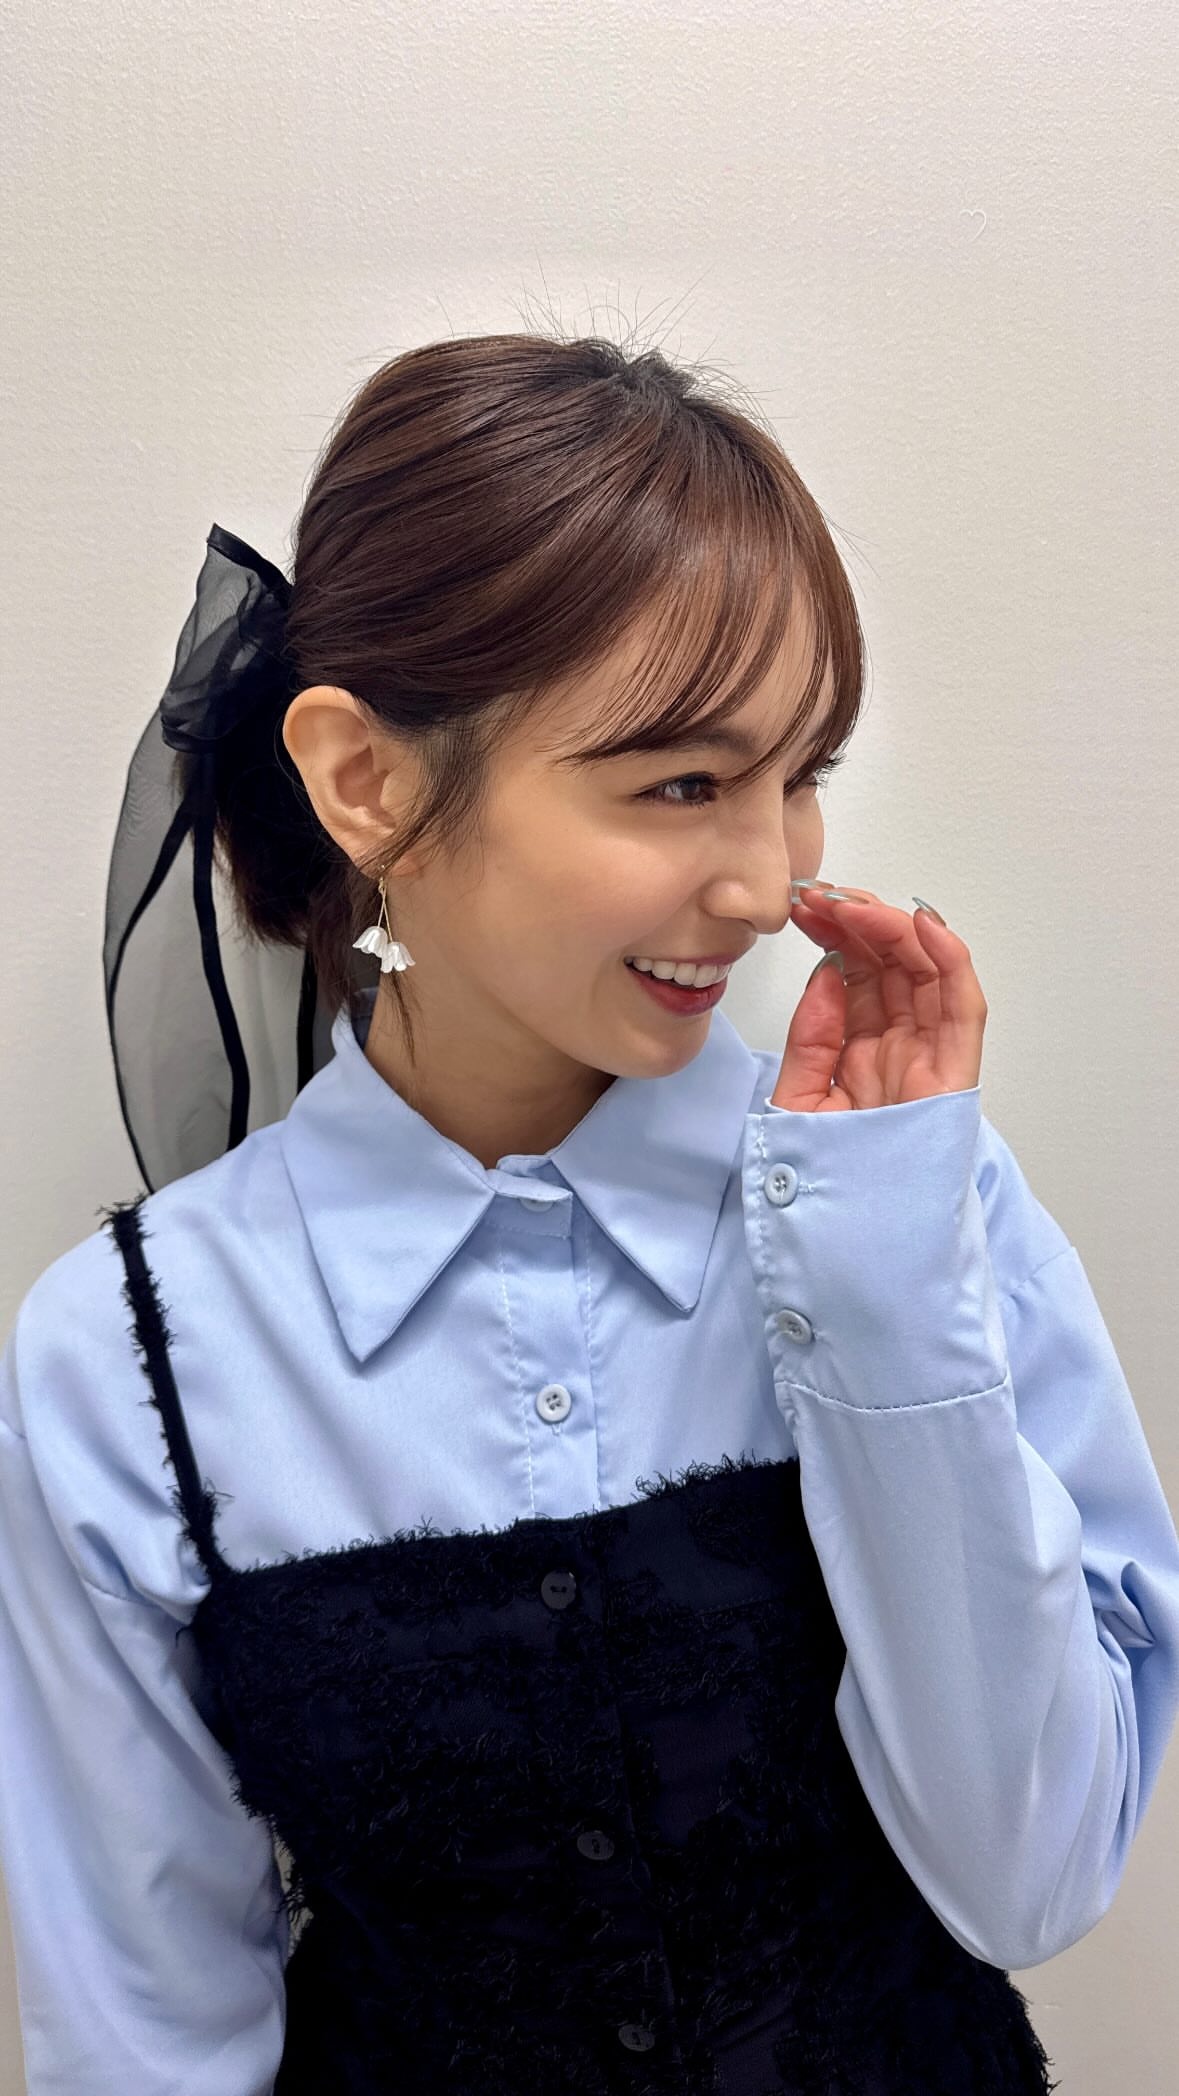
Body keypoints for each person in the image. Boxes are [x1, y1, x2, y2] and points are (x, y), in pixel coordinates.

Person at [1, 333, 1177, 2096]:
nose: (768, 882)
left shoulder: (920, 1201)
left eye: (800, 773)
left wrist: (877, 1297)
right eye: (682, 784)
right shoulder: (125, 1360)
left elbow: (1033, 1877)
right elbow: (146, 2034)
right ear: (367, 780)